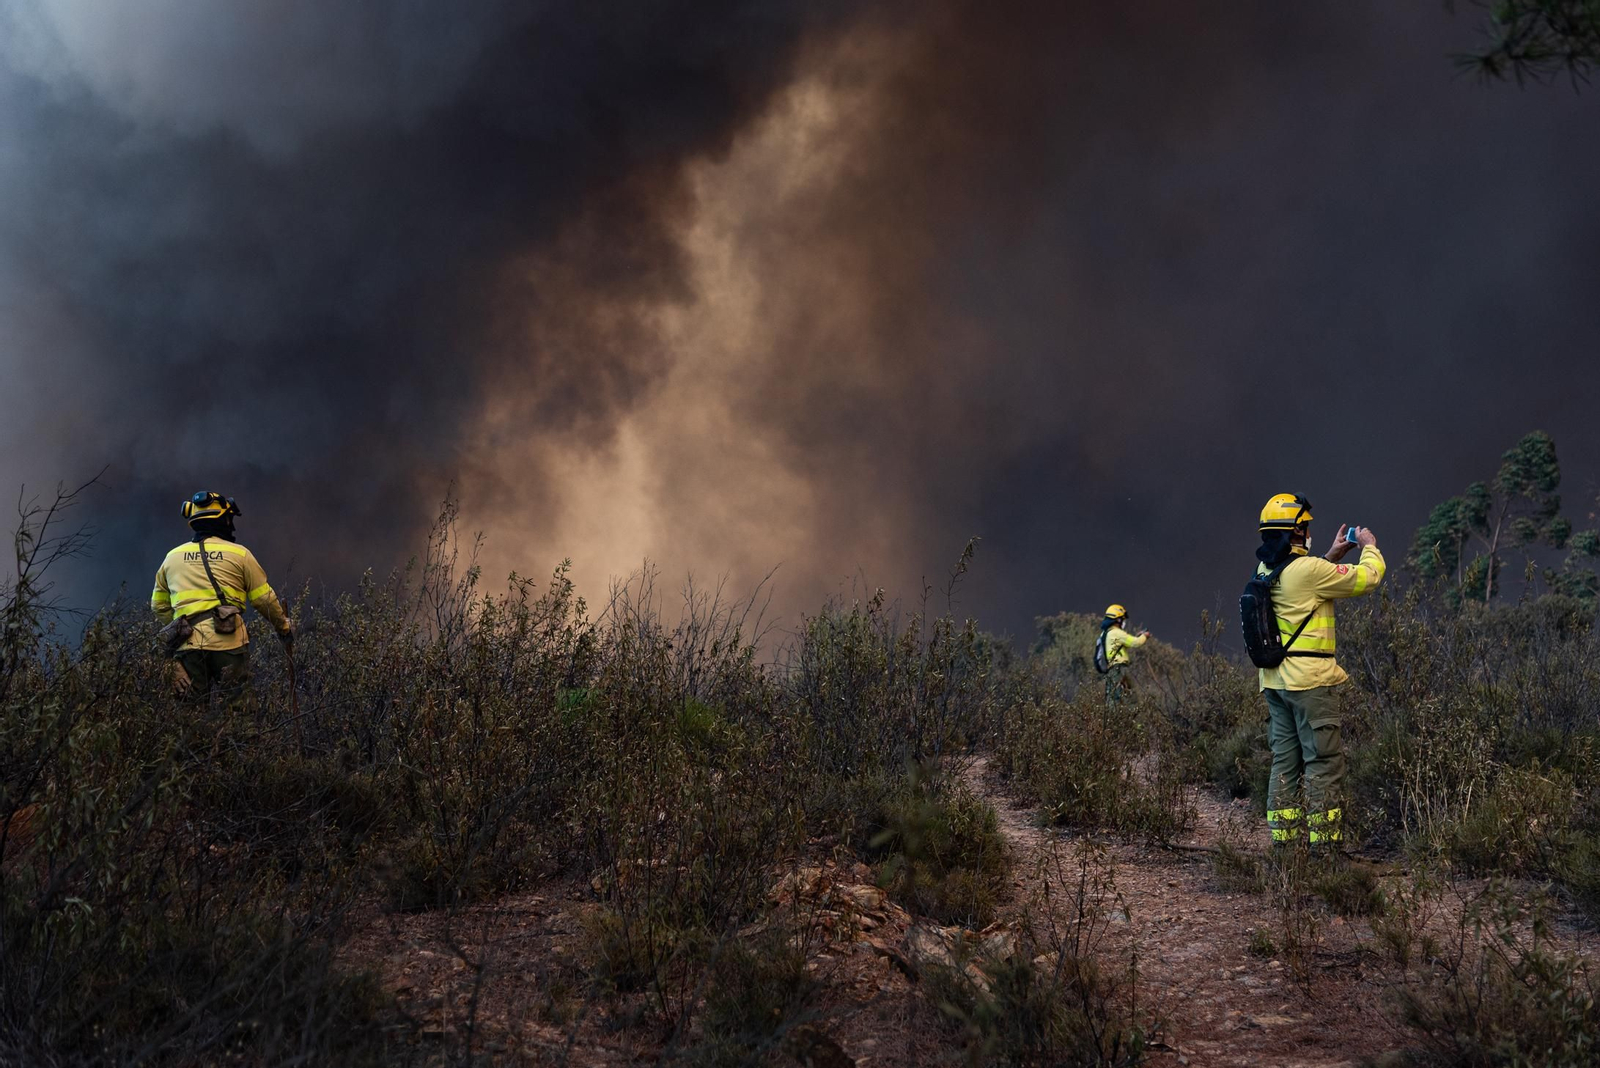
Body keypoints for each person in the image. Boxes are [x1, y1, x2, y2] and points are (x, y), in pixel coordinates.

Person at [1255, 493, 1384, 854]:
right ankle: (1325, 853)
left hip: (1275, 682)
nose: (1308, 531)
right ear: (1294, 532)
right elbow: (1368, 579)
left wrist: (1330, 557)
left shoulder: (1265, 570)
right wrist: (1368, 547)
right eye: (1305, 526)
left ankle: (1284, 848)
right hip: (1309, 684)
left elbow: (1300, 583)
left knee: (1284, 763)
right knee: (1324, 764)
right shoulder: (1309, 571)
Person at [151, 491, 293, 705]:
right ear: (223, 520)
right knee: (240, 711)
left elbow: (158, 605)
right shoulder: (240, 554)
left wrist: (183, 627)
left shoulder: (171, 558)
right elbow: (263, 600)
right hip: (229, 643)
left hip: (188, 647)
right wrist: (284, 628)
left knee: (191, 716)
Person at [1099, 603, 1149, 707]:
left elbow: (1123, 645)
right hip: (1120, 668)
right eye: (1122, 619)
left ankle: (1114, 720)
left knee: (1113, 697)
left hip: (1112, 669)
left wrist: (1137, 636)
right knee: (1130, 697)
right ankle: (1131, 719)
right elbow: (1135, 643)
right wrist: (1144, 636)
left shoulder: (1106, 634)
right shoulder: (1117, 633)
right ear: (1117, 620)